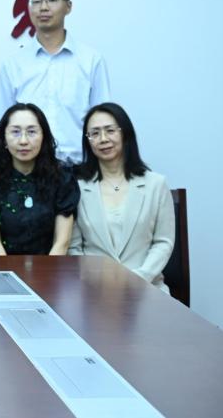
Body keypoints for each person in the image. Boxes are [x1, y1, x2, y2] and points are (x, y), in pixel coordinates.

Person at [0, 0, 110, 164]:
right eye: (36, 1)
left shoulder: (91, 60)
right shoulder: (13, 64)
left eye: (52, 0)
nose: (43, 7)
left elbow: (103, 120)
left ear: (68, 6)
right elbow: (1, 124)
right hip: (28, 169)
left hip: (79, 168)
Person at [69, 103, 175, 292]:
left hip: (147, 288)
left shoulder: (155, 184)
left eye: (110, 130)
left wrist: (140, 277)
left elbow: (163, 242)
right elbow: (74, 247)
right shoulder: (78, 187)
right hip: (94, 291)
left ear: (125, 133)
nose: (103, 139)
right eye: (94, 133)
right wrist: (96, 281)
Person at [0, 103, 79, 255]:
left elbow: (62, 242)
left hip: (49, 265)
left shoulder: (61, 179)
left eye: (31, 132)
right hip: (1, 265)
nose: (23, 141)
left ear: (44, 137)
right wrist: (8, 270)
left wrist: (46, 270)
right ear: (4, 139)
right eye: (15, 132)